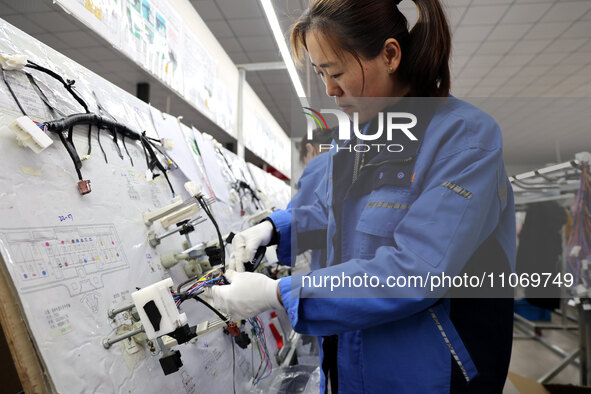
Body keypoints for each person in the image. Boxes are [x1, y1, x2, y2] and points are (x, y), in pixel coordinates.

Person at [207, 1, 516, 392]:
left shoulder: (464, 140)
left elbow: (416, 270)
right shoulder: (359, 141)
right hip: (350, 365)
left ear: (390, 54)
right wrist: (271, 230)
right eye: (320, 74)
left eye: (336, 72)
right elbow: (324, 207)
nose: (330, 90)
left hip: (428, 376)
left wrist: (279, 294)